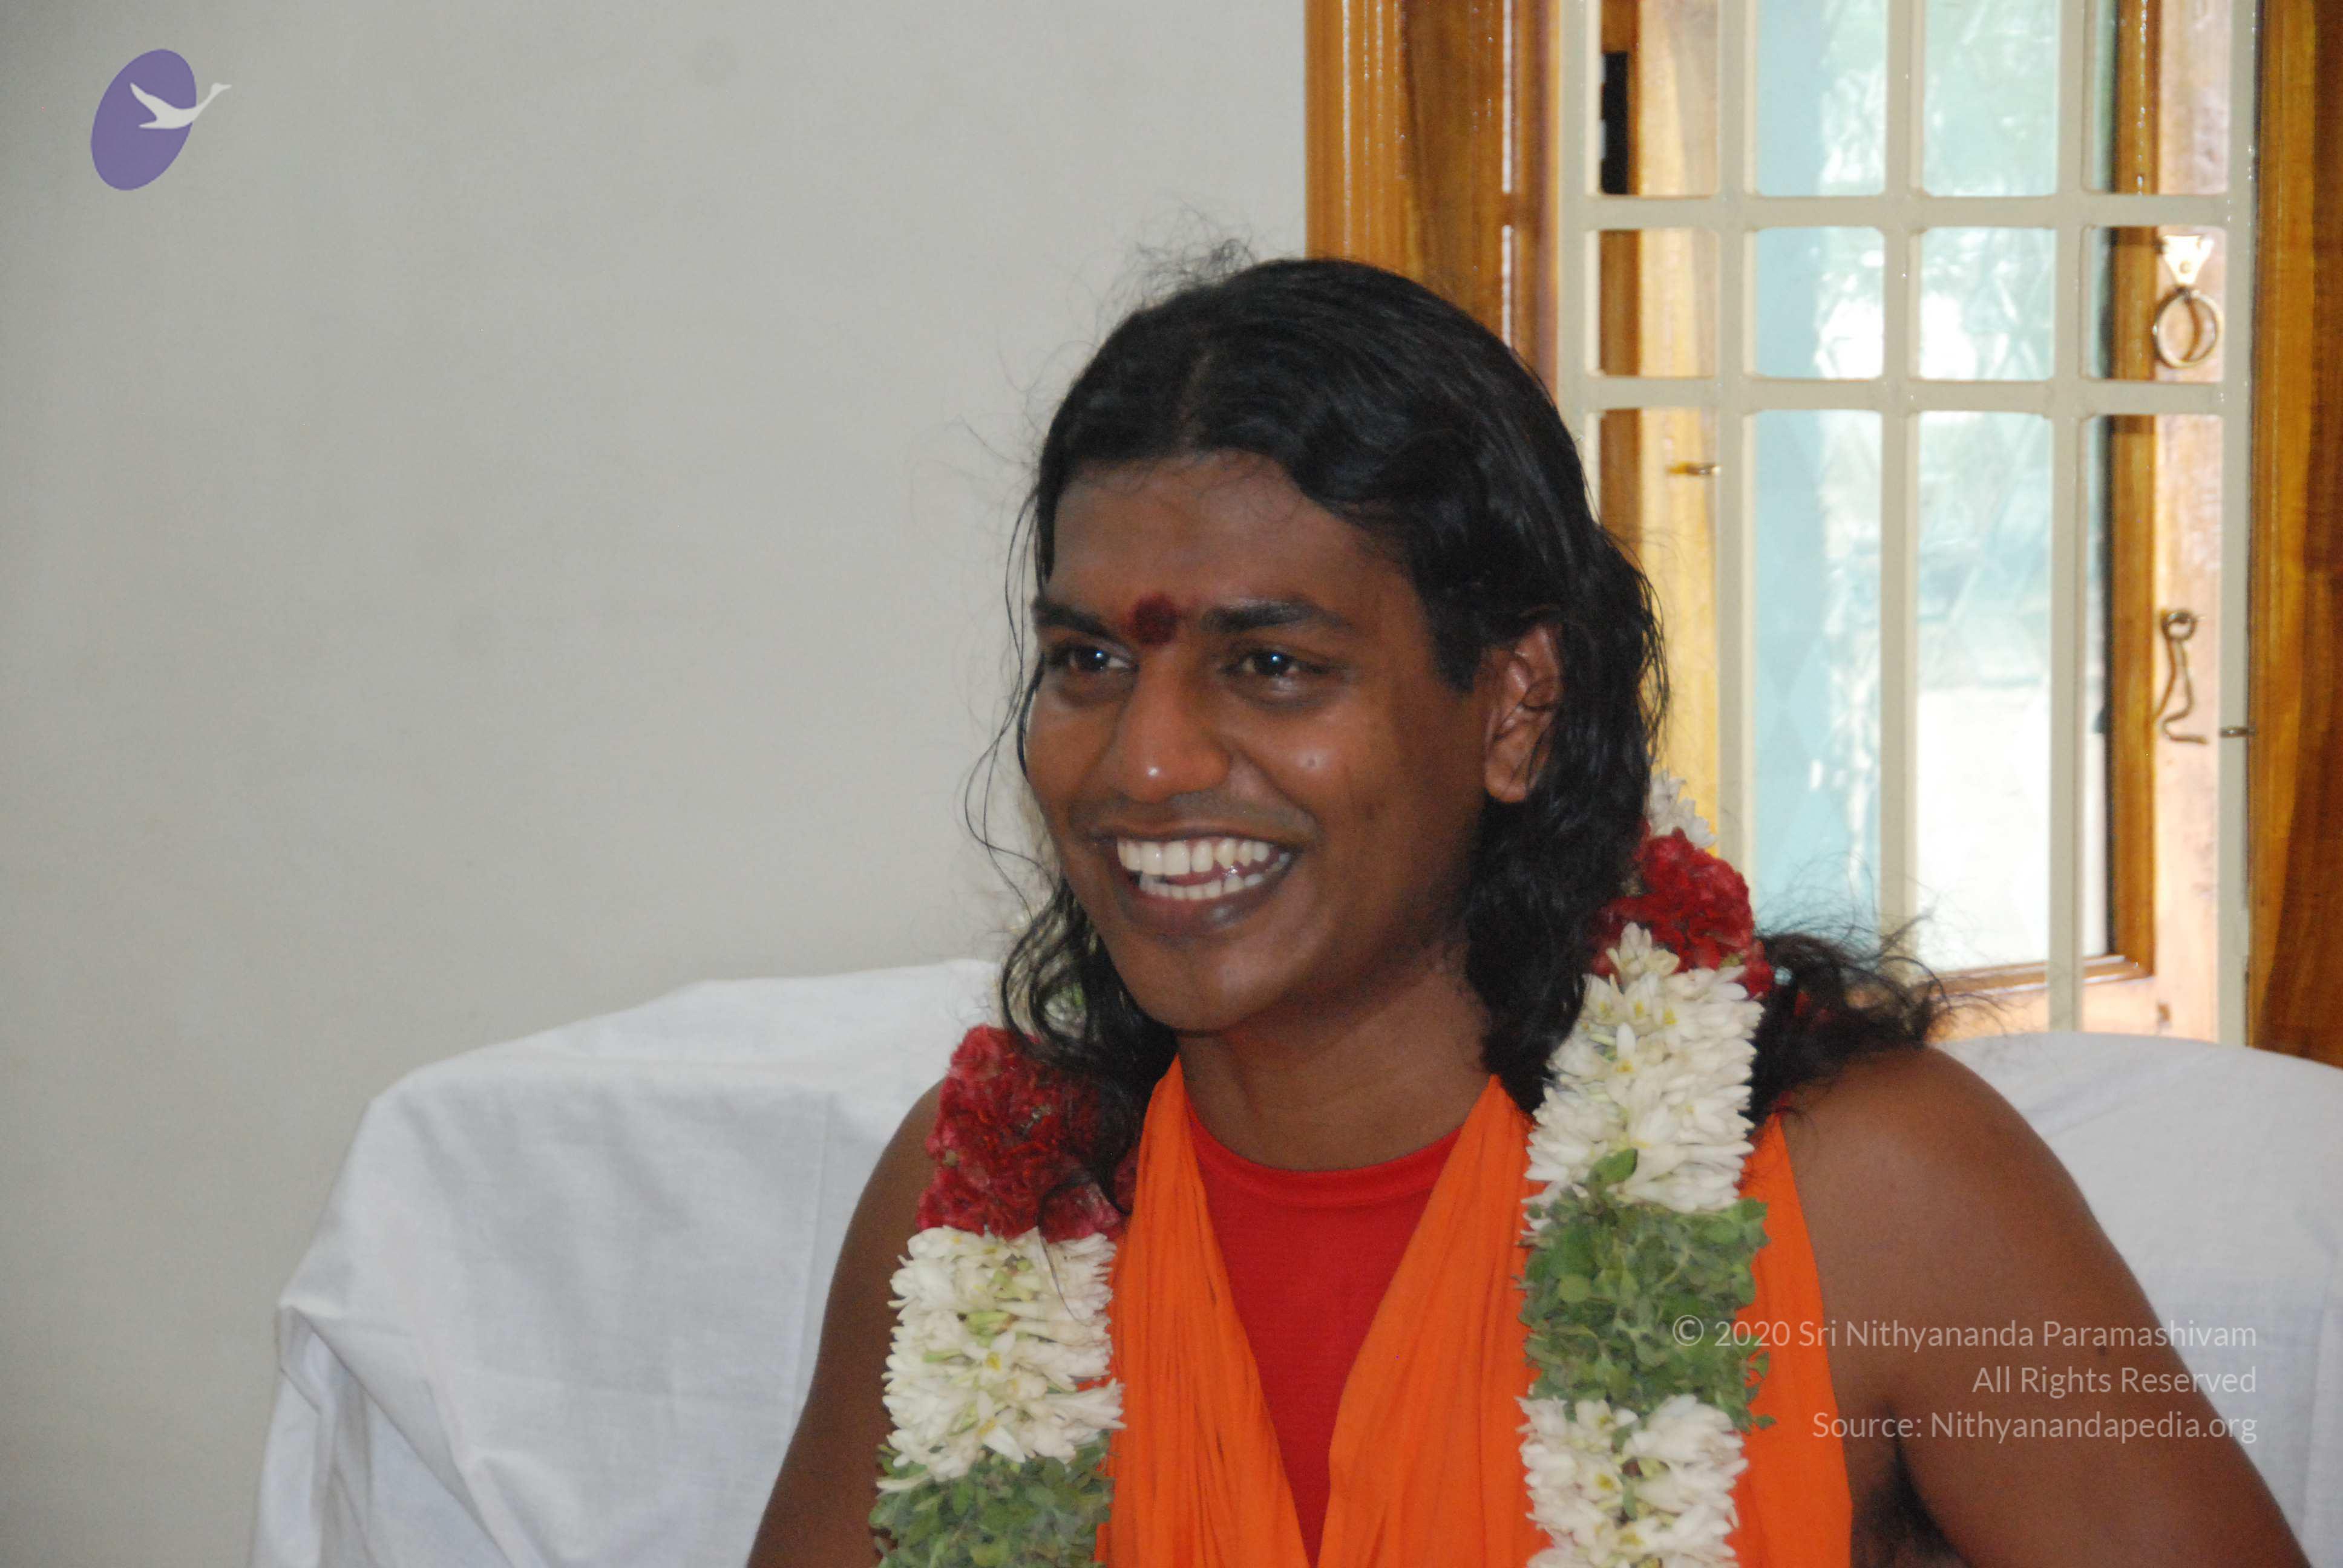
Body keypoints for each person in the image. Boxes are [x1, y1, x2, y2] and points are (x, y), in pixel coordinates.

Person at [748, 249, 2307, 1567]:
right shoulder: (987, 1208)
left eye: (1272, 664)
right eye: (1089, 661)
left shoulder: (1882, 1197)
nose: (1145, 762)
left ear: (1514, 706)